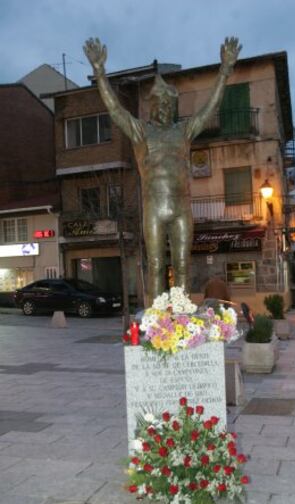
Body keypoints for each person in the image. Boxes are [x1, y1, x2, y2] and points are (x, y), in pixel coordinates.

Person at [84, 37, 241, 304]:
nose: (166, 108)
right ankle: (157, 317)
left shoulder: (184, 131)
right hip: (154, 207)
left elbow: (210, 108)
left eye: (171, 104)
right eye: (162, 103)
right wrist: (100, 74)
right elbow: (115, 109)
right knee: (155, 264)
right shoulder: (141, 131)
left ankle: (180, 314)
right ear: (153, 106)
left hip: (181, 207)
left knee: (182, 264)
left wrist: (225, 70)